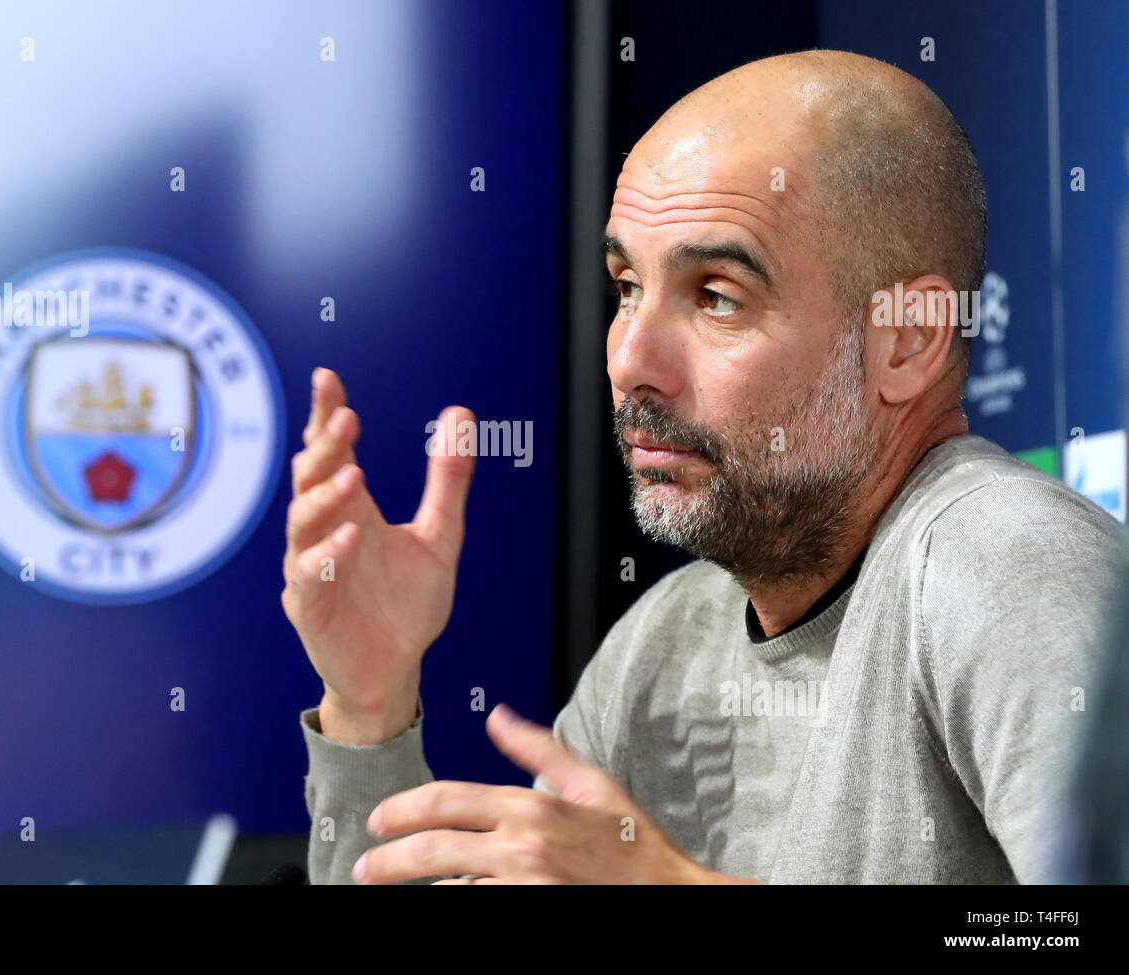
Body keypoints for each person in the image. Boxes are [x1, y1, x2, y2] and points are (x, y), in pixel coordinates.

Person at [281, 49, 1128, 884]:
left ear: (907, 338)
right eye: (626, 288)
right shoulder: (664, 638)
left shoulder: (1008, 563)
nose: (629, 361)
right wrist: (371, 704)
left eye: (717, 294)